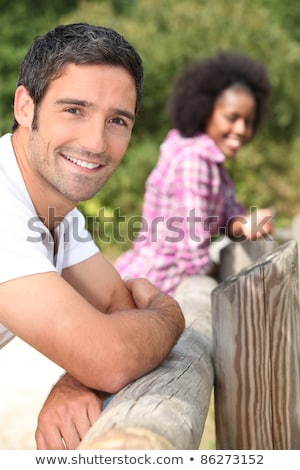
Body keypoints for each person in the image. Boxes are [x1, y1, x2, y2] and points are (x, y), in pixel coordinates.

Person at [0, 23, 185, 450]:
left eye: (117, 120)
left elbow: (115, 309)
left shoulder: (55, 208)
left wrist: (76, 377)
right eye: (74, 110)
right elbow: (110, 356)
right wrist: (169, 313)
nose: (96, 142)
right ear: (26, 107)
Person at [115, 51, 274, 296]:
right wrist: (221, 276)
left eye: (249, 121)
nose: (241, 129)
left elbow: (227, 216)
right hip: (157, 285)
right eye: (232, 118)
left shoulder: (213, 165)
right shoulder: (193, 160)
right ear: (205, 110)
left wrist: (245, 223)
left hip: (165, 284)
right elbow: (191, 246)